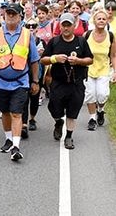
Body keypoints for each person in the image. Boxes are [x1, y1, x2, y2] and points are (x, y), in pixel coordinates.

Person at [0, 3, 40, 161]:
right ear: (4, 16)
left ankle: (16, 146)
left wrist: (35, 81)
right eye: (8, 14)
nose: (11, 17)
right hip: (0, 82)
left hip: (21, 82)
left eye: (14, 14)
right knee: (5, 112)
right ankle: (8, 139)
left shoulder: (27, 35)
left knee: (17, 113)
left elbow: (34, 61)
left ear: (20, 17)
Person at [40, 12, 93, 149]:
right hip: (58, 82)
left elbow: (90, 59)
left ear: (74, 26)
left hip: (76, 83)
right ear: (60, 26)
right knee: (54, 108)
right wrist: (54, 58)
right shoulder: (55, 41)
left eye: (69, 25)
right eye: (63, 25)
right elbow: (43, 60)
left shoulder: (81, 41)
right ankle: (58, 122)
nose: (66, 28)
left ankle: (69, 136)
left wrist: (79, 61)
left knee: (72, 111)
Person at [84, 9, 116, 130]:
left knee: (103, 94)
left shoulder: (111, 36)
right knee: (90, 94)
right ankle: (92, 118)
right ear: (94, 21)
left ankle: (100, 110)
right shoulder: (87, 35)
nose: (101, 21)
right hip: (88, 70)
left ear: (106, 21)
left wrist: (115, 72)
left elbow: (113, 56)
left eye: (103, 19)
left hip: (104, 69)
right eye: (99, 19)